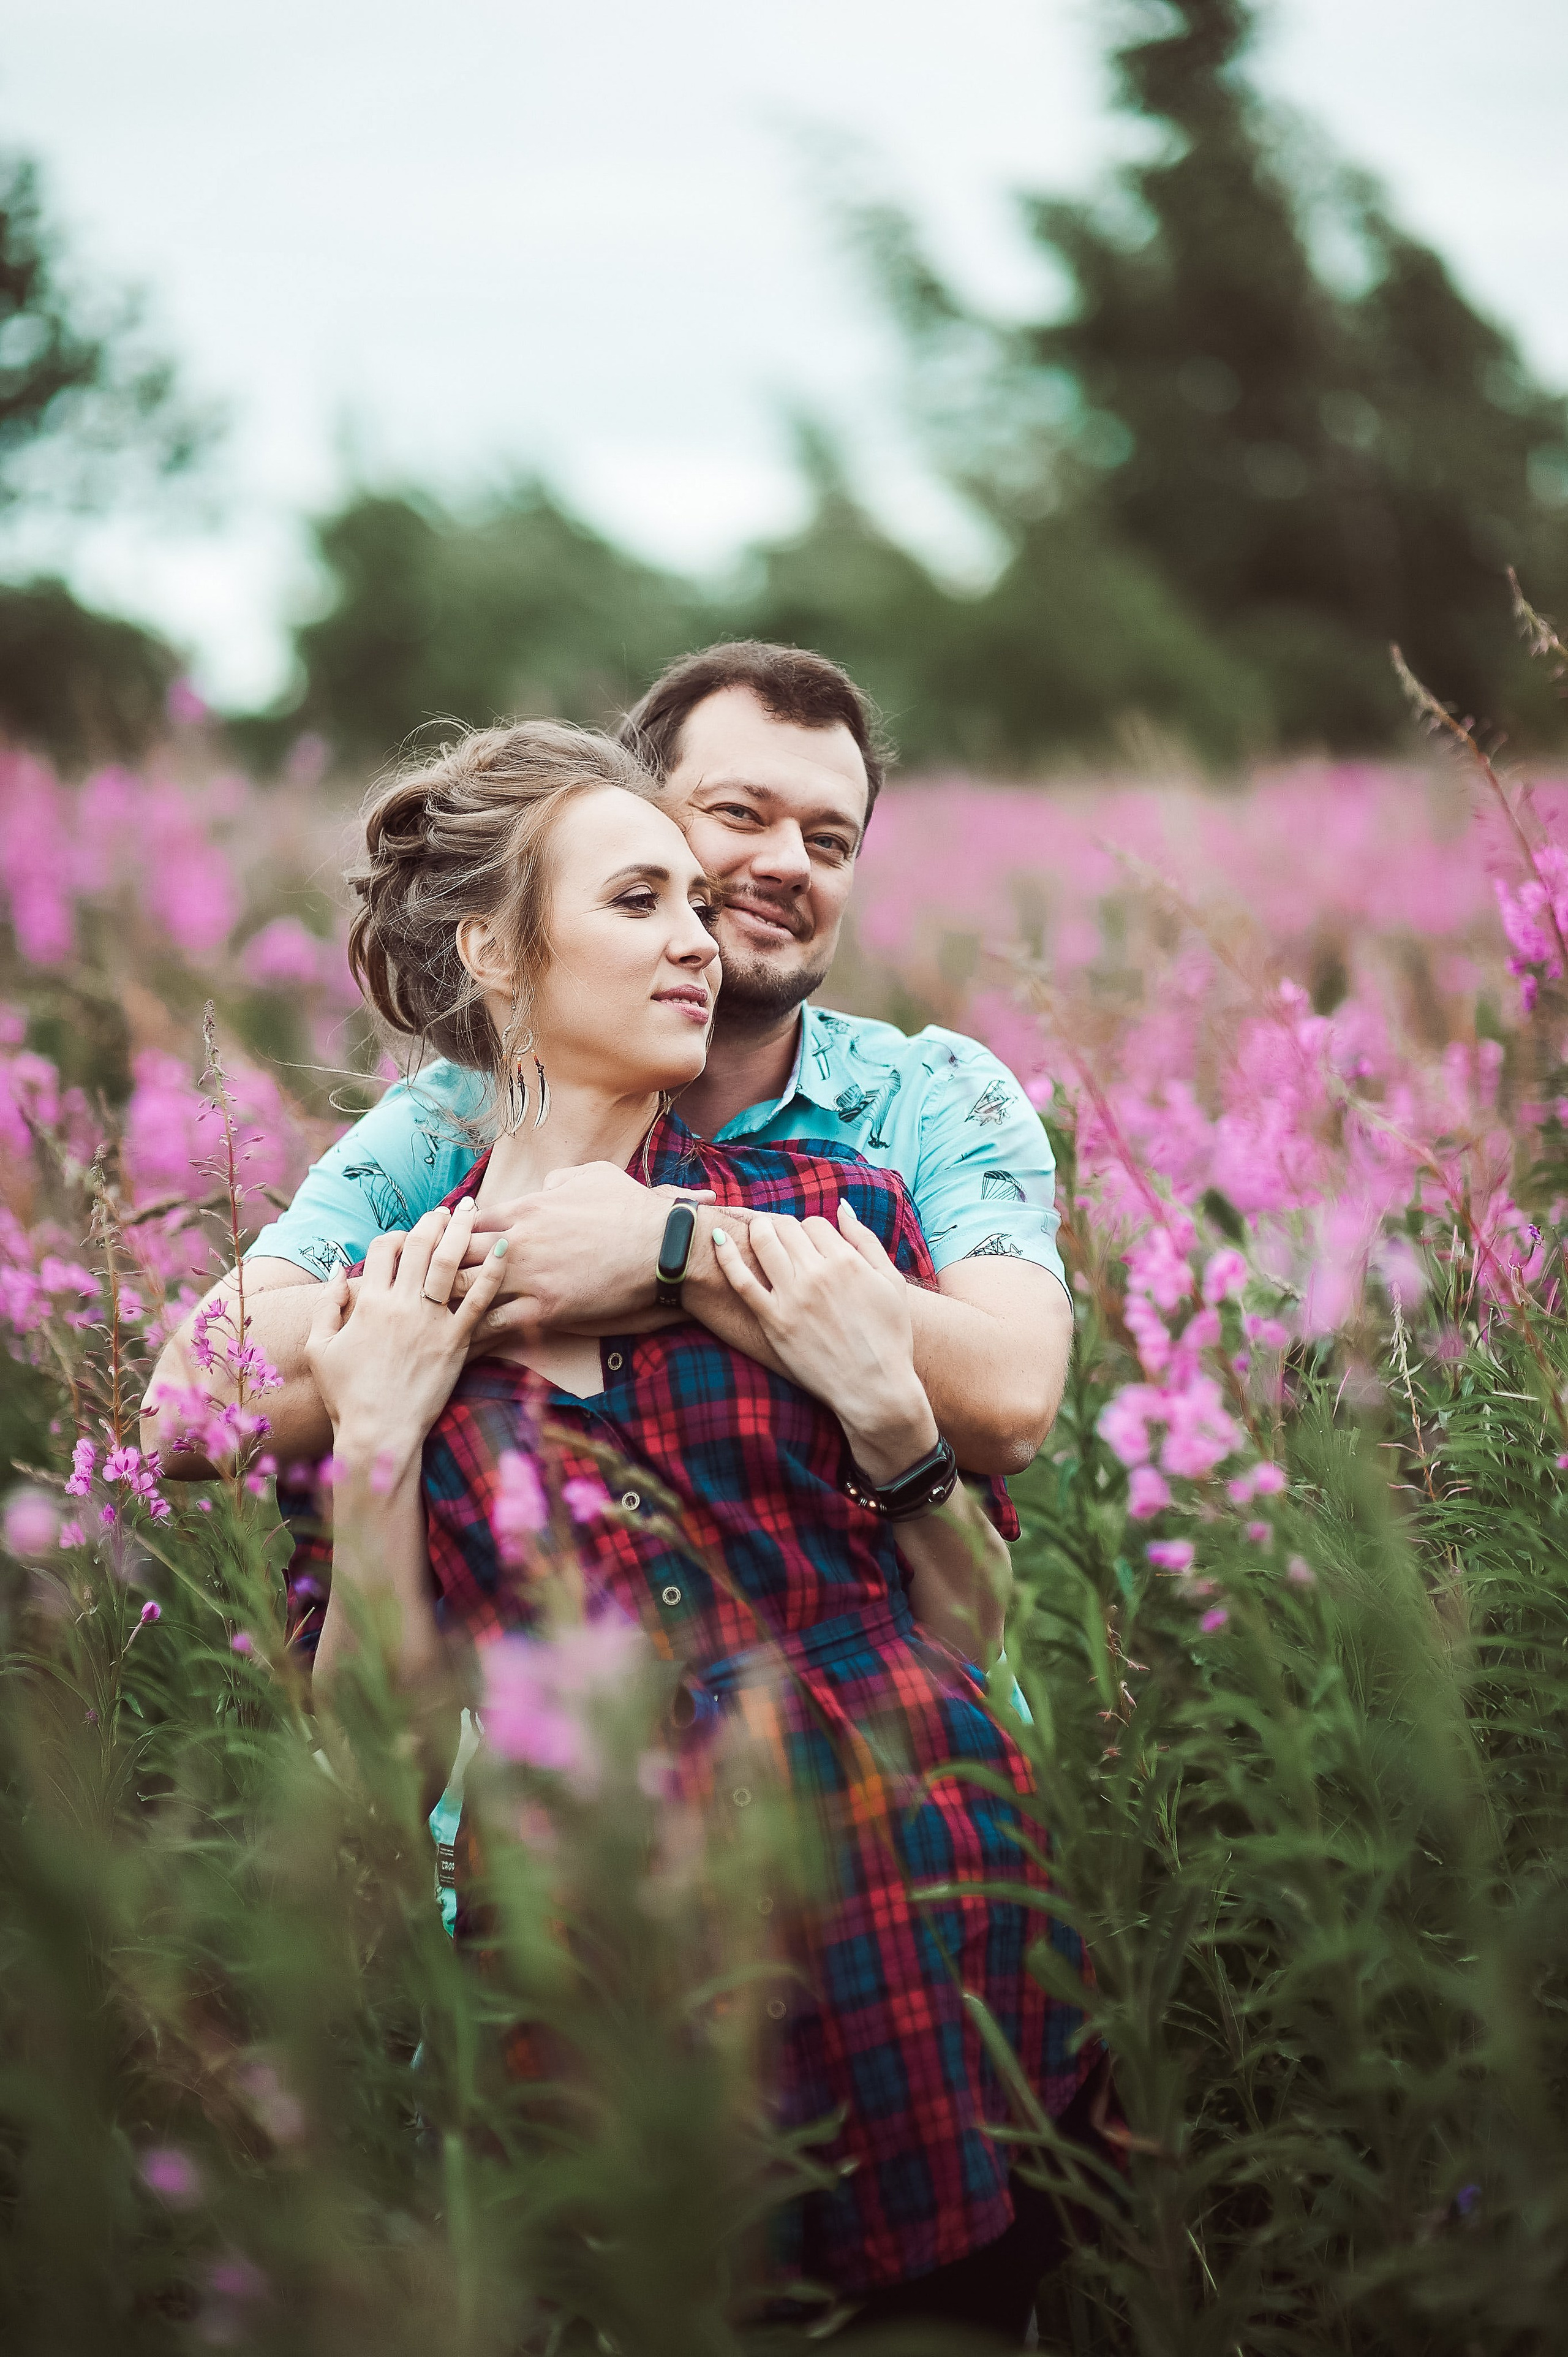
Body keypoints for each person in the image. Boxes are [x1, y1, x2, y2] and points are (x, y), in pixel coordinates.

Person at [284, 720, 1099, 2342]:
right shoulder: (393, 1297)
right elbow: (376, 1740)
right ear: (499, 960)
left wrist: (889, 1419)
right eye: (641, 900)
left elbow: (972, 1627)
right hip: (604, 1978)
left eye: (688, 899)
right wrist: (376, 1443)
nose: (697, 935)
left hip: (919, 1922)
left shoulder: (828, 1221)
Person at [144, 641, 1072, 1489]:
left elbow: (1011, 1403)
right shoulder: (457, 1115)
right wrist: (522, 1273)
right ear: (635, 817)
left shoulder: (934, 1092)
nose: (790, 863)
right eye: (742, 813)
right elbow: (190, 1407)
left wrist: (675, 1257)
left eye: (831, 841)